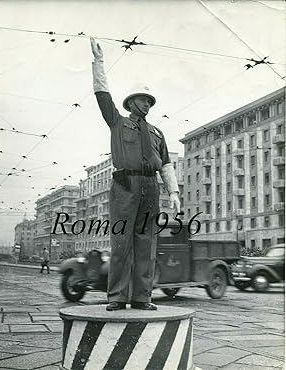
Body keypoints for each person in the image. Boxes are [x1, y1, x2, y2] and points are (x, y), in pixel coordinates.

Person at [90, 38, 180, 311]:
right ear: (131, 102)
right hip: (125, 184)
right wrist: (99, 63)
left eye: (150, 100)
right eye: (143, 99)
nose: (147, 104)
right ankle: (117, 297)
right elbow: (102, 95)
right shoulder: (117, 123)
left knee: (146, 244)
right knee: (121, 242)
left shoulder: (156, 132)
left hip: (150, 187)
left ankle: (142, 297)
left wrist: (174, 193)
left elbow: (165, 164)